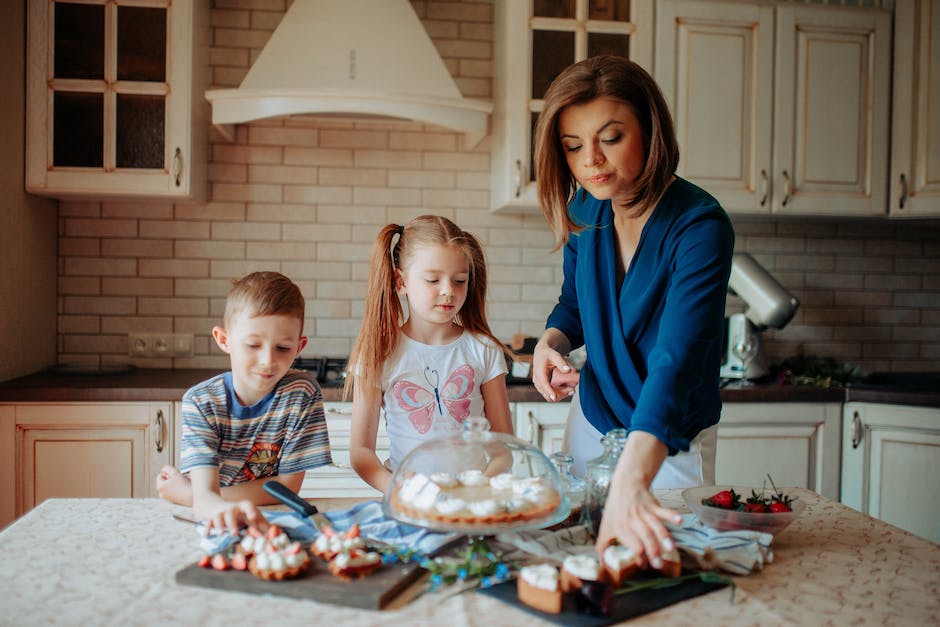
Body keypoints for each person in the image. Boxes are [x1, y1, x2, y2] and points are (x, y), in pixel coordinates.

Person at [530, 56, 735, 568]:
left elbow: (678, 358)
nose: (591, 161)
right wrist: (551, 342)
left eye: (611, 137)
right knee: (580, 560)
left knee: (662, 569)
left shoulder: (700, 226)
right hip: (592, 418)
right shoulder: (586, 210)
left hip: (666, 436)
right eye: (573, 146)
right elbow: (574, 304)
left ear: (650, 128)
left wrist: (632, 477)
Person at [346, 215, 514, 493]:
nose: (448, 291)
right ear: (400, 282)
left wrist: (477, 489)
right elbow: (361, 451)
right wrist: (399, 490)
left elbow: (504, 448)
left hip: (472, 504)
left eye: (459, 281)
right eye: (433, 279)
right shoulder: (379, 353)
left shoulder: (483, 350)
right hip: (409, 504)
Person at [156, 271, 332, 535]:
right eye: (253, 344)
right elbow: (206, 497)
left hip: (265, 517)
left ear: (299, 346)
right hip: (211, 522)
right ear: (224, 339)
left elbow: (286, 489)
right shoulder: (201, 402)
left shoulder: (302, 394)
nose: (267, 360)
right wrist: (204, 498)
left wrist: (185, 494)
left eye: (282, 348)